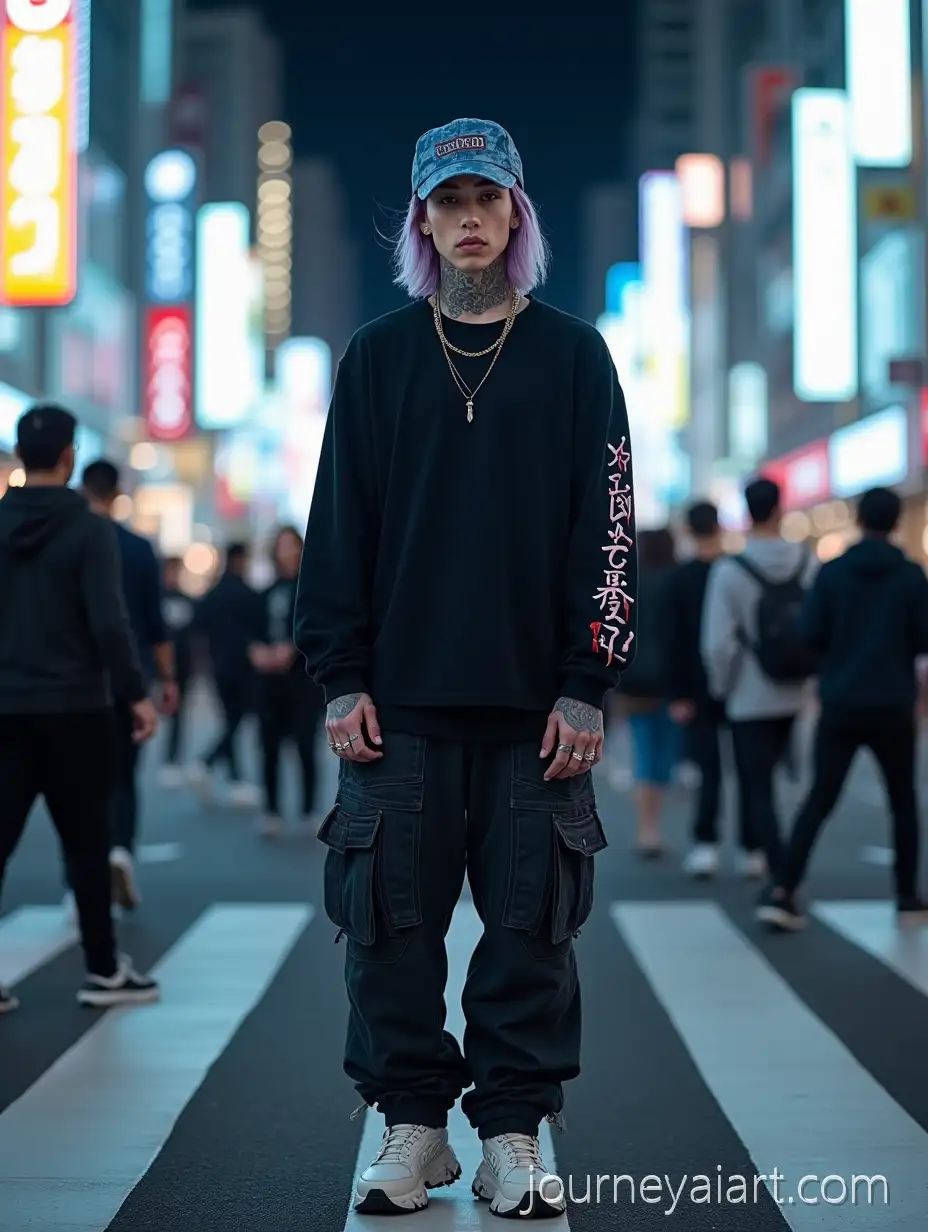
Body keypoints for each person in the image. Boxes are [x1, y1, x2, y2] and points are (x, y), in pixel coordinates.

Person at [295, 116, 637, 1219]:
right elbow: (337, 524)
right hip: (399, 706)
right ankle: (410, 1128)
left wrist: (589, 677)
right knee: (387, 931)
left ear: (517, 216)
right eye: (450, 204)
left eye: (489, 200)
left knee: (532, 931)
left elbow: (612, 529)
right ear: (423, 224)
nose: (471, 220)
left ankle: (510, 1134)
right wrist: (339, 673)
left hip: (539, 708)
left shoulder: (576, 355)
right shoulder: (379, 356)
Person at [0, 405, 159, 1012]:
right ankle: (102, 970)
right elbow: (109, 624)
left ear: (20, 454)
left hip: (5, 706)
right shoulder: (90, 529)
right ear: (68, 456)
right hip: (77, 707)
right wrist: (134, 693)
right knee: (87, 842)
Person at [760, 487, 928, 930]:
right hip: (893, 702)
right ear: (895, 523)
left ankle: (783, 888)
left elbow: (810, 633)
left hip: (840, 701)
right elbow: (924, 639)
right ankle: (908, 896)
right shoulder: (911, 576)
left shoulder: (833, 574)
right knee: (903, 801)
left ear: (857, 519)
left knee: (820, 797)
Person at [701, 477, 816, 885]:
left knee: (756, 785)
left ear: (747, 513)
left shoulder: (730, 570)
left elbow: (717, 644)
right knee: (789, 779)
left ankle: (775, 864)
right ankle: (777, 860)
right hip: (796, 690)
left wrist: (721, 687)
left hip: (748, 694)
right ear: (781, 508)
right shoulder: (807, 561)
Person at [80, 460, 178, 912]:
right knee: (123, 775)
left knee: (79, 783)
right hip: (131, 676)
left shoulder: (69, 540)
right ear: (118, 494)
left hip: (76, 680)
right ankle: (120, 849)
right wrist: (168, 680)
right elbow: (157, 625)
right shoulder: (138, 548)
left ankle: (81, 875)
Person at [666, 501, 756, 878]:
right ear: (719, 526)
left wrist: (677, 693)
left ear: (688, 530)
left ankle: (707, 845)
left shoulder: (679, 578)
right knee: (751, 769)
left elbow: (671, 639)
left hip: (696, 685)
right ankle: (755, 848)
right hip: (741, 682)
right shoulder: (737, 570)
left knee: (709, 770)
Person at [249, 526, 325, 836]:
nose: (287, 552)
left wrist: (292, 649)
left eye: (292, 546)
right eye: (282, 546)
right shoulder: (264, 593)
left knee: (306, 747)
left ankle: (308, 809)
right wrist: (256, 651)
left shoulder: (312, 591)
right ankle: (272, 810)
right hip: (269, 685)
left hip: (303, 683)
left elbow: (319, 630)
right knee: (268, 747)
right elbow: (250, 630)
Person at [614, 527, 678, 856]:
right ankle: (654, 827)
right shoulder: (675, 581)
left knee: (643, 752)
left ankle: (646, 829)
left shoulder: (630, 583)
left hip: (636, 682)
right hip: (671, 681)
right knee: (664, 756)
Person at [190, 543, 261, 807]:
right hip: (244, 669)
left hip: (218, 668)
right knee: (235, 722)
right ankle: (208, 763)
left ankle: (233, 778)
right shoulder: (248, 594)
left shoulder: (212, 594)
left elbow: (197, 631)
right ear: (240, 560)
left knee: (230, 720)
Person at [159, 556, 197, 784]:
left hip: (182, 667)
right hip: (159, 667)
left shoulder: (187, 600)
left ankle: (173, 758)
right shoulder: (156, 598)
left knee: (178, 714)